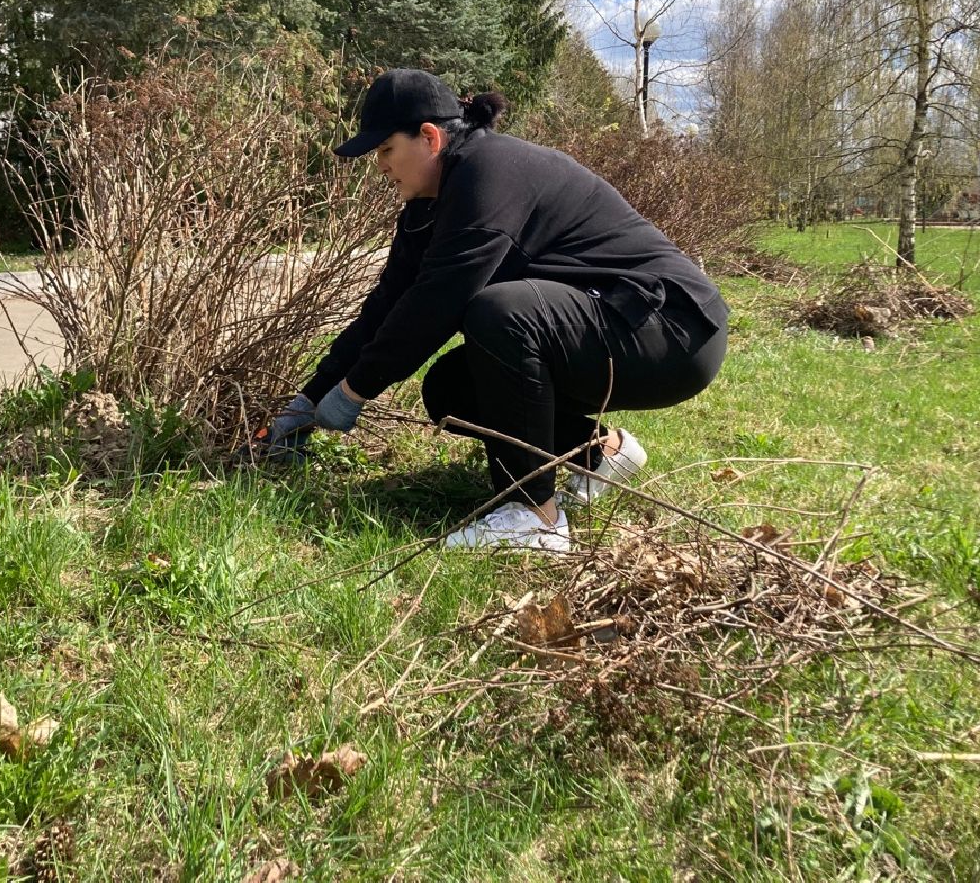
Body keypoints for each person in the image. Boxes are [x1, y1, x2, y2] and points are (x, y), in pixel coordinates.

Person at [265, 69, 727, 551]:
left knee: (499, 311)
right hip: (618, 324)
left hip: (673, 328)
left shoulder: (489, 171)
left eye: (384, 150)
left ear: (429, 137)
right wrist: (309, 399)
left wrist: (354, 392)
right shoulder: (429, 206)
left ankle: (535, 518)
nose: (380, 166)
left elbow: (438, 302)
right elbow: (386, 307)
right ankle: (600, 455)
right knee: (451, 387)